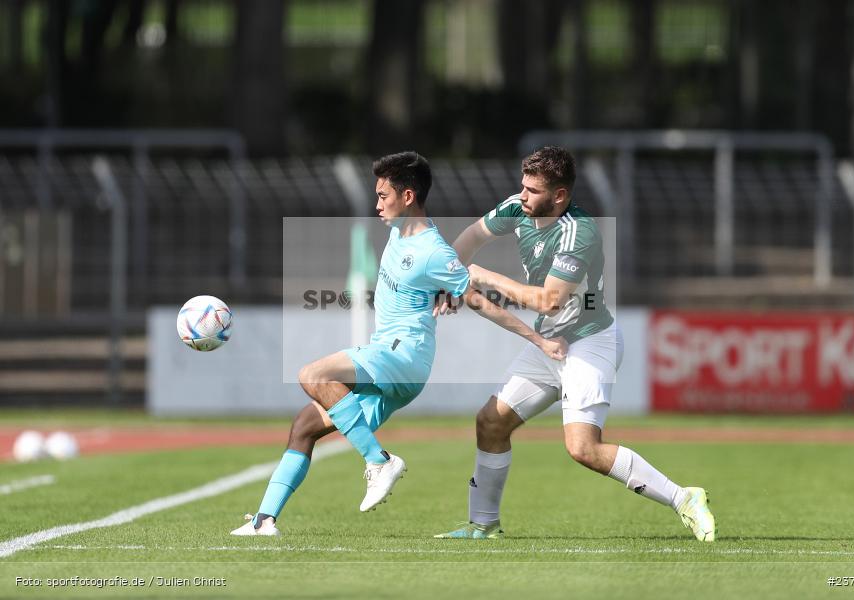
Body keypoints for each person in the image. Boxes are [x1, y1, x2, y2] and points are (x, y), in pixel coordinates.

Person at [232, 151, 567, 536]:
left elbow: (479, 301)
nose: (377, 205)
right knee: (305, 426)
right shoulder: (398, 231)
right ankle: (264, 521)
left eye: (383, 196)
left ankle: (380, 462)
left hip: (402, 356)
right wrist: (444, 289)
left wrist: (539, 339)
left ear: (408, 197)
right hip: (389, 358)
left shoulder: (432, 251)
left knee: (312, 374)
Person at [433, 146, 716, 542]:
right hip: (549, 342)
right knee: (491, 422)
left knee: (583, 448)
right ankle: (483, 525)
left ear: (560, 195)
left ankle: (684, 497)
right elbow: (470, 237)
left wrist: (483, 277)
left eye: (533, 190)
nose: (523, 195)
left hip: (589, 343)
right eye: (523, 186)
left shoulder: (579, 232)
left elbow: (549, 300)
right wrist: (448, 279)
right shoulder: (518, 207)